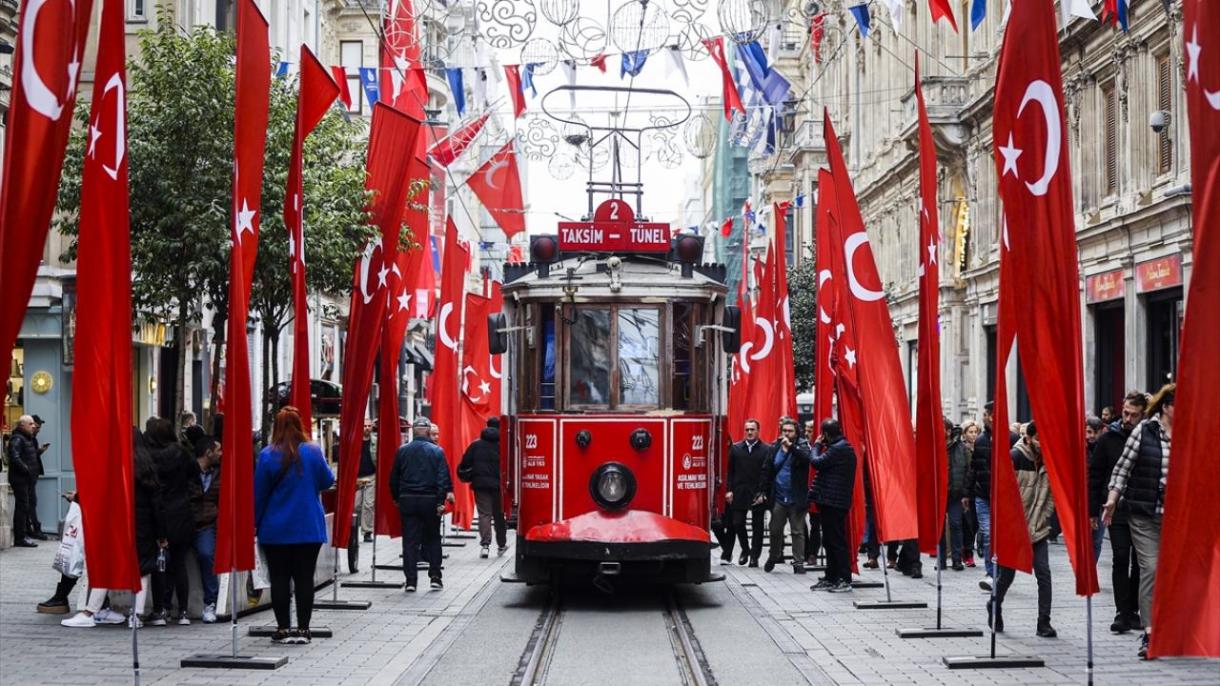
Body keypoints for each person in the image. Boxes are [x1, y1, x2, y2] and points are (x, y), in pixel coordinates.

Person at [62, 429, 165, 628]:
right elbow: (157, 505)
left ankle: (90, 611)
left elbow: (102, 496)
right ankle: (136, 616)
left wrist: (79, 498)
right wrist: (161, 534)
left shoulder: (117, 467)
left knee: (106, 565)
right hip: (144, 526)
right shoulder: (148, 468)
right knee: (142, 570)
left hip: (118, 524)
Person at [1103, 384, 1173, 660]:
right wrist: (1111, 499)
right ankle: (1150, 634)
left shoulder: (1191, 430)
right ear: (1166, 406)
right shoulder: (1145, 431)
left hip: (1176, 517)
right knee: (1151, 569)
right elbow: (1121, 469)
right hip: (1143, 514)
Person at [254, 406, 334, 645]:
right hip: (308, 528)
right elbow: (328, 480)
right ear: (300, 425)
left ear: (275, 427)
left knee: (279, 579)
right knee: (304, 579)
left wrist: (255, 525)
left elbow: (259, 495)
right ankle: (304, 629)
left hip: (275, 529)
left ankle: (282, 628)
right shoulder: (313, 451)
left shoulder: (267, 455)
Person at [990, 421, 1057, 638]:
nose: (1042, 444)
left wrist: (1043, 520)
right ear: (1028, 438)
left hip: (1038, 527)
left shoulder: (1050, 460)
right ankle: (994, 605)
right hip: (1014, 528)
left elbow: (1050, 498)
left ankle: (1043, 622)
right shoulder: (1015, 456)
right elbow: (1003, 493)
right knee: (1006, 576)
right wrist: (1011, 524)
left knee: (1044, 573)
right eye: (1038, 439)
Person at [1089, 390, 1146, 635]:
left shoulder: (1149, 436)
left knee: (1141, 562)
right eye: (1125, 412)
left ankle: (1133, 609)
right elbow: (1095, 475)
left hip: (1142, 507)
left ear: (1142, 414)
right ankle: (1122, 612)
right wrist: (1093, 511)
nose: (1127, 418)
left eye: (1133, 414)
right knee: (1121, 557)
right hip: (1115, 507)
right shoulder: (1107, 438)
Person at [390, 416, 454, 592]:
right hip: (429, 500)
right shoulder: (437, 452)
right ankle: (435, 576)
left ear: (413, 431)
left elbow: (394, 478)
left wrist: (397, 497)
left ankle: (411, 581)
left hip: (408, 499)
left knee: (410, 541)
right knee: (433, 538)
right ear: (427, 431)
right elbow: (442, 479)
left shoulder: (402, 451)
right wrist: (440, 502)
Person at [146, 417, 196, 626]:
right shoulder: (182, 453)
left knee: (160, 564)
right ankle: (183, 611)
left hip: (160, 514)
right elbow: (194, 475)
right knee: (180, 563)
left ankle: (161, 609)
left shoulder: (149, 457)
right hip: (182, 512)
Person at [967, 401, 1018, 591]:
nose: (985, 417)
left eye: (988, 414)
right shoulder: (980, 440)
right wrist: (967, 492)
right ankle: (991, 574)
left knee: (1002, 536)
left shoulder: (1012, 439)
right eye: (985, 414)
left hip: (1005, 498)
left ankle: (1002, 573)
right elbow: (974, 468)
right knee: (988, 534)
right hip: (983, 496)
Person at [757, 418, 811, 574]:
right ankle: (774, 556)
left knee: (797, 531)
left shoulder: (802, 445)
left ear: (796, 432)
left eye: (790, 431)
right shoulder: (775, 446)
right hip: (779, 496)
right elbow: (767, 469)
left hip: (796, 496)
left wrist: (791, 447)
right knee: (775, 529)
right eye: (784, 430)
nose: (786, 434)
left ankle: (798, 562)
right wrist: (761, 491)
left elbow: (807, 459)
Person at [808, 419, 856, 593]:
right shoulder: (841, 447)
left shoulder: (839, 448)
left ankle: (844, 578)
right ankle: (831, 576)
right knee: (829, 541)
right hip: (831, 501)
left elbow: (815, 462)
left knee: (836, 541)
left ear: (826, 434)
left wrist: (816, 445)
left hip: (834, 502)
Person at [458, 417, 508, 558]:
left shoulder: (476, 445)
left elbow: (465, 463)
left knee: (484, 514)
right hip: (499, 486)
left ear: (487, 426)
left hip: (481, 485)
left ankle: (485, 545)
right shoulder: (503, 445)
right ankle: (501, 545)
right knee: (499, 515)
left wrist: (472, 474)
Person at [724, 419, 768, 567]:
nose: (749, 432)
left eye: (752, 429)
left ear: (758, 431)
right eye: (747, 429)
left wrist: (764, 492)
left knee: (758, 526)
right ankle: (745, 549)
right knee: (737, 522)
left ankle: (754, 557)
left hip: (758, 493)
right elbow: (730, 471)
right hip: (739, 491)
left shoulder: (766, 449)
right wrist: (729, 490)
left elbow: (768, 473)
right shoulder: (736, 449)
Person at [188, 435, 222, 623]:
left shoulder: (219, 473)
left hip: (207, 523)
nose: (221, 453)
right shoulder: (188, 471)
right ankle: (166, 606)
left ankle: (211, 602)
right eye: (218, 450)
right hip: (185, 521)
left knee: (206, 554)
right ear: (208, 452)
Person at [940, 419, 971, 571]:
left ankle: (957, 559)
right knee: (939, 528)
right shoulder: (934, 446)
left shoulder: (961, 448)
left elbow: (967, 471)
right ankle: (941, 559)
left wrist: (965, 493)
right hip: (939, 494)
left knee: (956, 524)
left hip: (955, 494)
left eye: (945, 429)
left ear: (949, 431)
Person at [6, 415, 41, 547]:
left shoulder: (27, 438)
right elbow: (14, 457)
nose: (34, 426)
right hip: (20, 479)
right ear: (22, 425)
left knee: (25, 507)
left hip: (26, 479)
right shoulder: (17, 439)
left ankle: (23, 535)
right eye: (30, 424)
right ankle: (20, 537)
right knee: (22, 507)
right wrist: (26, 469)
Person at [960, 420, 981, 567]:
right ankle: (967, 552)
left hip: (979, 490)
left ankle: (968, 549)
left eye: (975, 432)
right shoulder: (962, 449)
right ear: (964, 434)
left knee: (976, 524)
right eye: (970, 432)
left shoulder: (980, 447)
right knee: (968, 524)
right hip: (967, 491)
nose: (973, 435)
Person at [803, 420, 822, 568]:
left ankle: (812, 554)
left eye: (810, 430)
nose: (807, 433)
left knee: (816, 525)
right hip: (803, 490)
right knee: (800, 522)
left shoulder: (821, 449)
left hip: (817, 491)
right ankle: (806, 550)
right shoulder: (803, 446)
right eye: (806, 430)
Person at [27, 415, 50, 538]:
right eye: (38, 427)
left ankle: (31, 528)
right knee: (30, 502)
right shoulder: (27, 439)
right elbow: (27, 458)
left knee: (31, 502)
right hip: (28, 476)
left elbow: (32, 457)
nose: (39, 429)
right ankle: (34, 529)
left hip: (32, 475)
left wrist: (40, 450)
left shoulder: (32, 439)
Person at [354, 422, 377, 542]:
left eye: (369, 426)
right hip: (357, 477)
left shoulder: (376, 441)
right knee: (356, 505)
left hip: (371, 476)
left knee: (368, 505)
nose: (367, 428)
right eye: (364, 425)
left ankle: (367, 531)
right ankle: (353, 529)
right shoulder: (354, 440)